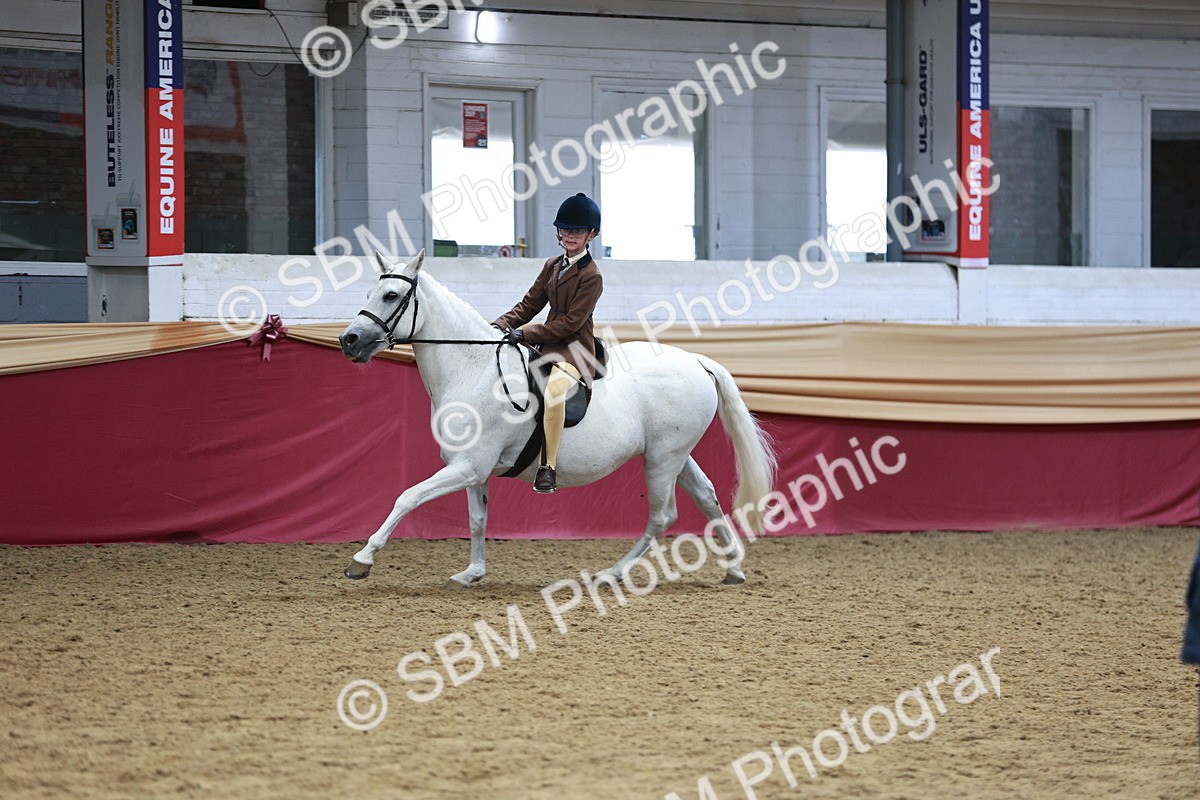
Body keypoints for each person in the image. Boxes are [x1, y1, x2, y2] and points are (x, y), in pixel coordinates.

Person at [492, 193, 605, 494]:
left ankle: (548, 467)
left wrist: (526, 334)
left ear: (590, 235)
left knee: (554, 393)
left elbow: (570, 323)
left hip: (574, 349)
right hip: (545, 346)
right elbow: (529, 304)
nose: (569, 236)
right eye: (565, 230)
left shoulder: (592, 276)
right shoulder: (553, 265)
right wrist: (499, 325)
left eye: (577, 232)